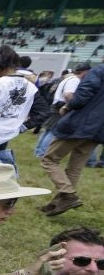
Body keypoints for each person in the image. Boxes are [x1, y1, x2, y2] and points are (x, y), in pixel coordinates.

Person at [38, 61, 104, 217]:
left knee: (49, 160)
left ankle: (68, 195)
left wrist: (67, 106)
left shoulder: (99, 71)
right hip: (98, 130)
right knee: (75, 168)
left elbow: (82, 96)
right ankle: (57, 203)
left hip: (80, 124)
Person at [33, 63, 90, 158]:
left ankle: (38, 151)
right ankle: (42, 152)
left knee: (47, 130)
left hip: (56, 105)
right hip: (60, 107)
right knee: (53, 131)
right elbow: (68, 94)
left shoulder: (69, 78)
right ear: (85, 71)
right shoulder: (75, 80)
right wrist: (71, 105)